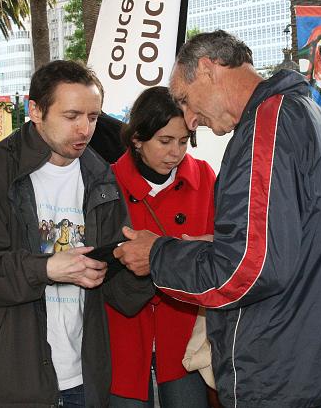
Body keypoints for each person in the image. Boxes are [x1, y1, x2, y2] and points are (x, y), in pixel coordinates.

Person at [114, 30, 321, 408]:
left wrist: (157, 255)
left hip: (279, 371)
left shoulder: (268, 127)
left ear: (208, 69)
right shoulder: (314, 116)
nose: (190, 121)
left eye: (184, 99)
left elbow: (247, 270)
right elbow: (296, 242)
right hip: (317, 359)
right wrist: (209, 244)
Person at [0, 60, 154, 408]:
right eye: (72, 115)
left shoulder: (101, 177)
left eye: (92, 117)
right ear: (35, 111)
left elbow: (120, 293)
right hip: (11, 380)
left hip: (82, 378)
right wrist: (47, 268)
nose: (84, 129)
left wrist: (145, 264)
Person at [106, 86, 215, 407]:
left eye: (183, 141)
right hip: (124, 324)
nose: (175, 152)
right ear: (137, 139)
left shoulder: (206, 178)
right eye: (165, 141)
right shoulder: (106, 183)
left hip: (185, 328)